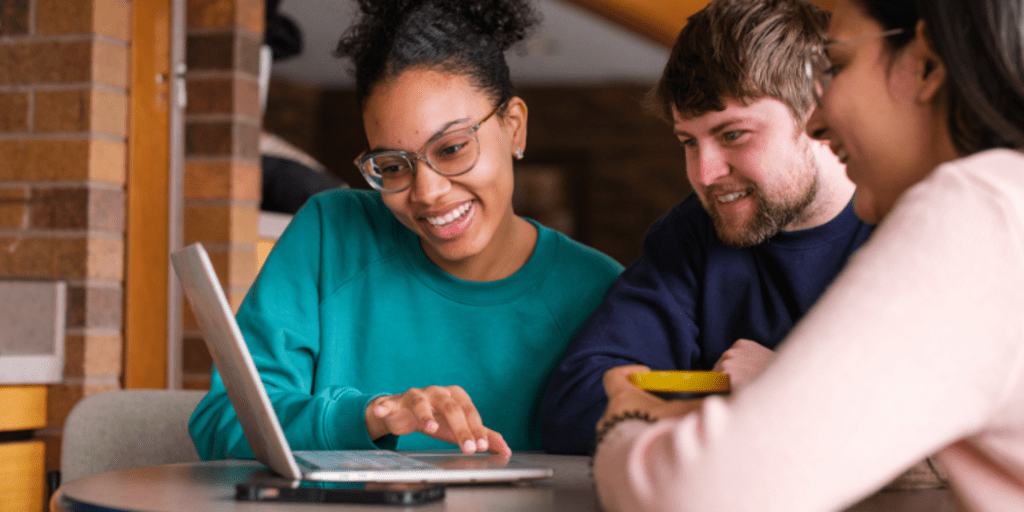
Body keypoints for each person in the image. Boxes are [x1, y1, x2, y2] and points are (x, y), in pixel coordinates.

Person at [592, 0, 1024, 509]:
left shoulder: (979, 207)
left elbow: (689, 493)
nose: (816, 118)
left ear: (924, 65)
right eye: (688, 140)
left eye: (836, 67)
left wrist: (625, 417)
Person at [188, 0, 623, 460]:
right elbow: (223, 421)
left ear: (514, 128)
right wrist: (372, 416)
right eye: (393, 166)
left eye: (453, 148)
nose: (428, 192)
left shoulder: (601, 292)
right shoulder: (329, 235)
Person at [540, 0, 874, 455]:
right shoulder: (690, 235)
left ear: (818, 112)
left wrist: (785, 385)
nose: (705, 173)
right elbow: (574, 406)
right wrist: (734, 397)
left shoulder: (910, 222)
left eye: (732, 134)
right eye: (688, 142)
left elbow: (949, 416)